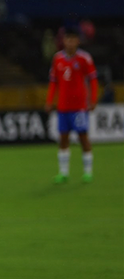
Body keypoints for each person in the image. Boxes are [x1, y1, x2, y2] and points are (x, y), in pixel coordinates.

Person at [45, 27, 98, 183]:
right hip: (63, 107)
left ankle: (88, 172)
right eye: (67, 39)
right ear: (64, 41)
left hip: (79, 107)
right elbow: (53, 82)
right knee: (63, 138)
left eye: (73, 39)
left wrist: (93, 99)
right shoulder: (57, 59)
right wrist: (49, 101)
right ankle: (63, 173)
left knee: (83, 137)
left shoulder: (84, 58)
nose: (70, 42)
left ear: (78, 41)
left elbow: (93, 80)